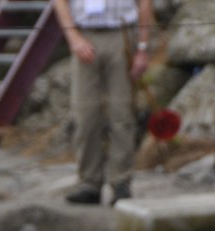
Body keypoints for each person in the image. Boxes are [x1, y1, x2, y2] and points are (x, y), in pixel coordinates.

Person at [53, 0, 156, 205]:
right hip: (85, 34)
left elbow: (145, 3)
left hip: (122, 34)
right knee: (85, 114)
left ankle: (121, 181)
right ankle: (89, 182)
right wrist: (73, 37)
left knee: (122, 113)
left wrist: (142, 49)